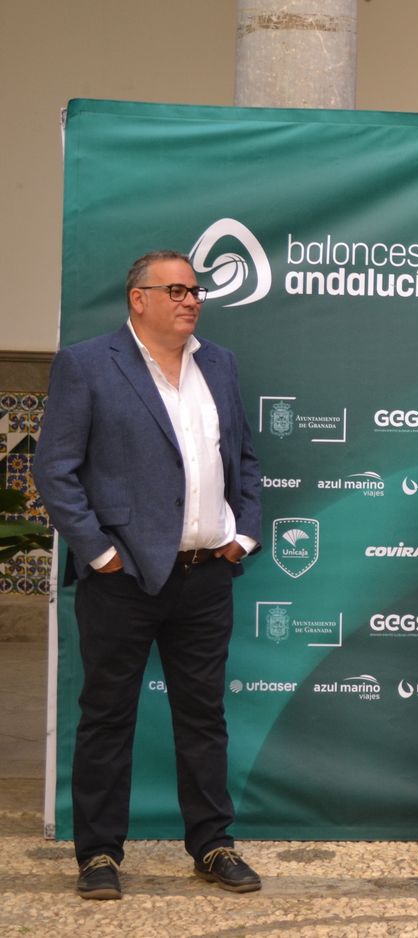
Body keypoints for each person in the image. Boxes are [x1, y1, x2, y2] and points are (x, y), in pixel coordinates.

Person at [34, 249, 263, 900]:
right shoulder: (86, 364)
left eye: (196, 290)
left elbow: (243, 456)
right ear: (139, 298)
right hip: (122, 579)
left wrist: (243, 533)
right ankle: (99, 855)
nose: (192, 299)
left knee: (203, 718)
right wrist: (101, 554)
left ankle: (213, 844)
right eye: (178, 290)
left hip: (205, 574)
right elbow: (54, 470)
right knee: (106, 717)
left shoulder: (218, 364)